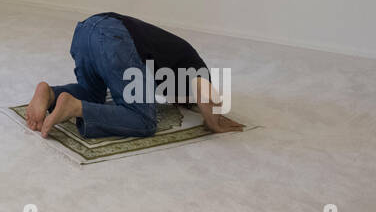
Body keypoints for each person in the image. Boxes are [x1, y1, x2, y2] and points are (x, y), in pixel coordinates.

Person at [24, 12, 244, 139]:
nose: (180, 102)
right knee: (143, 119)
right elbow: (204, 89)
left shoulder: (171, 59)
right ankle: (75, 107)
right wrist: (214, 122)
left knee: (93, 93)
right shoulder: (192, 63)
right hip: (113, 38)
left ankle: (50, 94)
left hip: (85, 31)